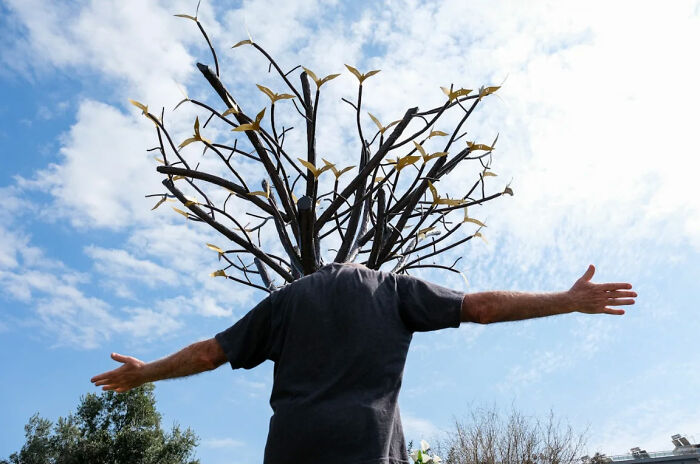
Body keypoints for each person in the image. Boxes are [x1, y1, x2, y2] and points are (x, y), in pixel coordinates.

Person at [90, 263, 636, 463]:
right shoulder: (392, 291)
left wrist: (145, 373)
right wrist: (566, 300)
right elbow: (483, 308)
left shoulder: (287, 299)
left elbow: (210, 353)